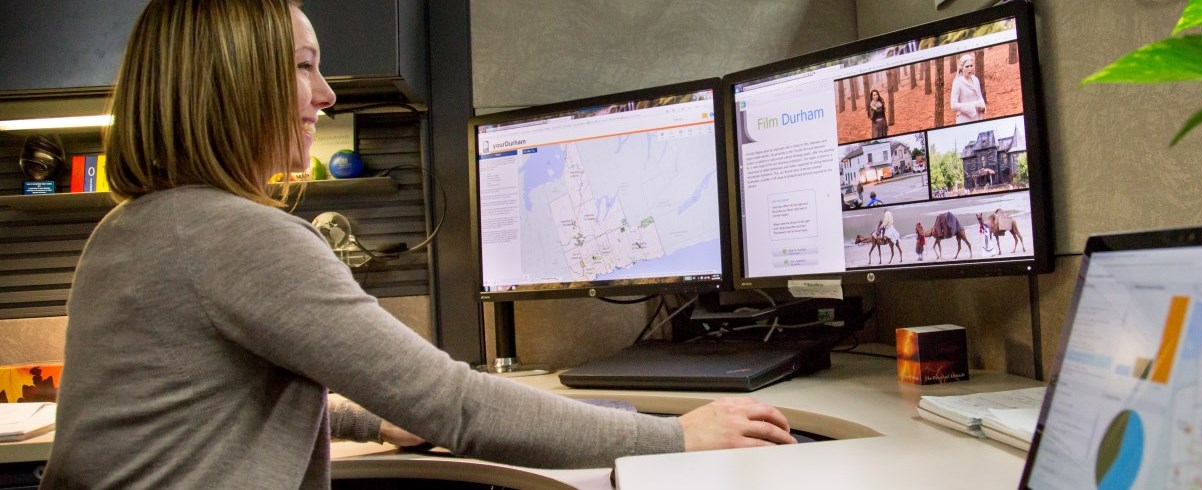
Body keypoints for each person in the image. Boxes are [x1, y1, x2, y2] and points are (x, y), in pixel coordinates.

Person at [40, 1, 794, 488]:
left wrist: (371, 418)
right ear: (234, 83)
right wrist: (673, 437)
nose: (327, 95)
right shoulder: (236, 235)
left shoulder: (129, 230)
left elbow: (214, 404)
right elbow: (455, 405)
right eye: (305, 66)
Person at [950, 53, 987, 123]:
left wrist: (982, 107)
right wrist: (973, 105)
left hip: (978, 118)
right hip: (964, 119)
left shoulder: (975, 79)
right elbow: (953, 105)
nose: (970, 69)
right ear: (961, 67)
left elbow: (979, 97)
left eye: (971, 66)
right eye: (967, 66)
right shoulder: (957, 83)